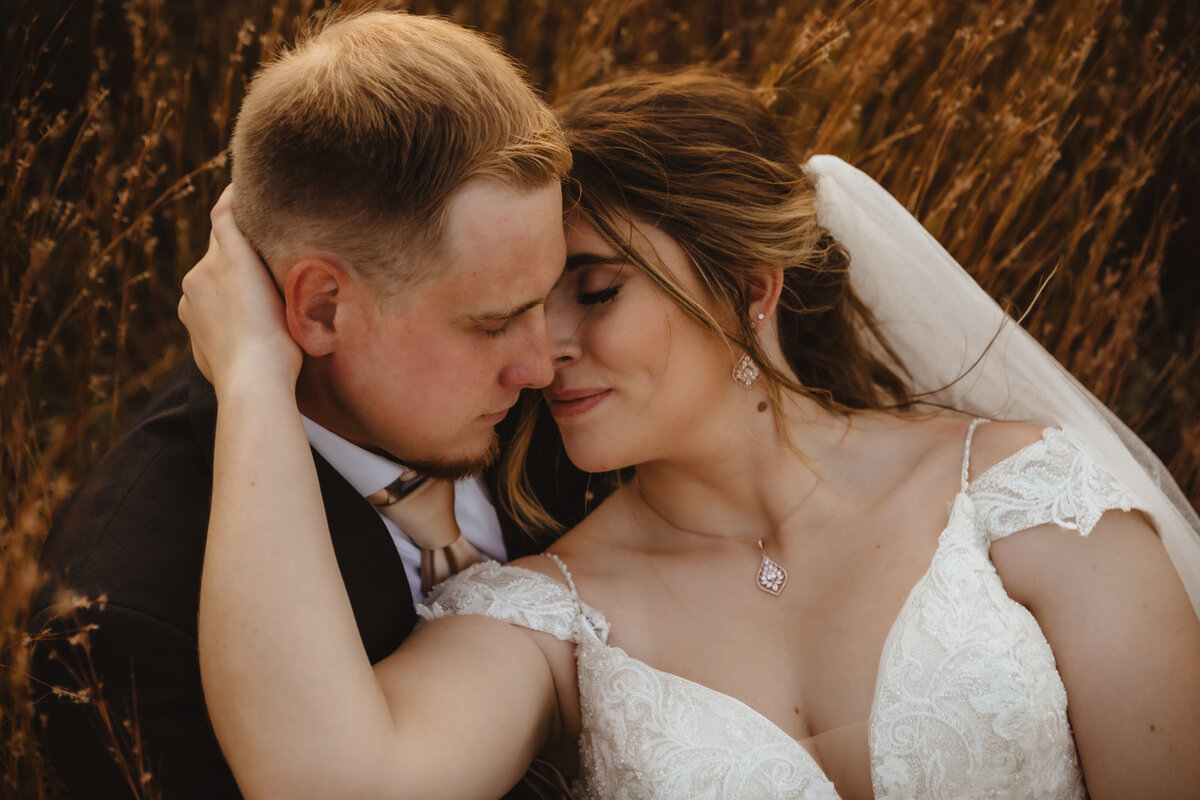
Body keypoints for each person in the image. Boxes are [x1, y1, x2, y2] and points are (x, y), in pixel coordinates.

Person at [180, 69, 1200, 799]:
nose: (544, 354)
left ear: (750, 287)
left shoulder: (1032, 502)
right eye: (526, 306)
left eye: (595, 291)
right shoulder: (550, 618)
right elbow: (327, 780)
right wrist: (257, 375)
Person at [27, 10, 581, 798]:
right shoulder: (124, 622)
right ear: (321, 309)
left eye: (549, 294)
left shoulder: (581, 412)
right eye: (491, 323)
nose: (540, 364)